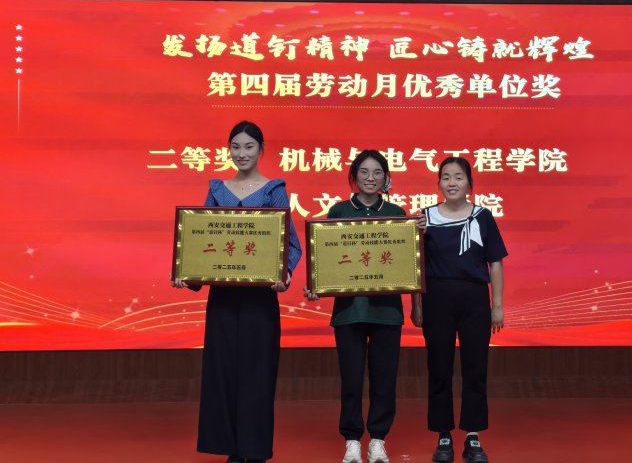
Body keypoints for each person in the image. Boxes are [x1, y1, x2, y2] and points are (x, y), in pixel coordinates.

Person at [171, 120, 302, 463]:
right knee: (223, 370)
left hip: (260, 299)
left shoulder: (274, 189)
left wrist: (285, 273)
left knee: (258, 373)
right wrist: (186, 274)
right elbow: (201, 239)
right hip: (223, 298)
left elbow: (290, 243)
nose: (241, 153)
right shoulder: (217, 189)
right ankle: (231, 449)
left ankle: (254, 450)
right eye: (235, 147)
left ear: (261, 150)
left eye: (248, 146)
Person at [304, 150, 426, 463]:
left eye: (377, 172)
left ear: (387, 178)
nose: (371, 178)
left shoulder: (398, 213)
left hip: (387, 312)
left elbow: (407, 263)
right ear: (354, 177)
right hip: (349, 312)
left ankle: (378, 440)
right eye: (364, 172)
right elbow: (327, 259)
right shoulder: (338, 211)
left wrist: (418, 234)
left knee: (384, 380)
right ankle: (352, 441)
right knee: (351, 380)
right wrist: (316, 285)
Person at [410, 157, 507, 463]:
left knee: (475, 368)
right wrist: (416, 305)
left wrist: (497, 306)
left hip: (474, 299)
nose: (452, 183)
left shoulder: (482, 216)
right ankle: (443, 435)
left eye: (459, 177)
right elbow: (415, 264)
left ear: (469, 184)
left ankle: (473, 436)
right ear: (438, 183)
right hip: (437, 298)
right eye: (446, 177)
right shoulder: (424, 218)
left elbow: (495, 263)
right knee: (439, 368)